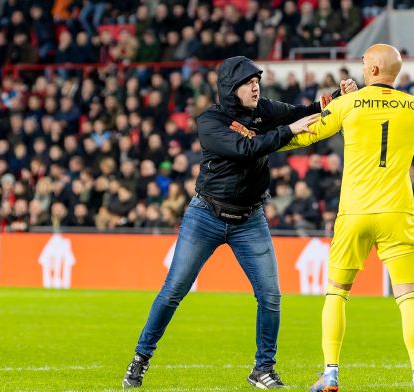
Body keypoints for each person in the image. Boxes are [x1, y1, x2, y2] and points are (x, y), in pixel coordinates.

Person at [122, 56, 357, 389]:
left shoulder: (264, 109)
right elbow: (246, 148)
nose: (256, 86)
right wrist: (288, 131)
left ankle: (263, 369)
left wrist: (339, 93)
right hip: (205, 215)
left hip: (250, 218)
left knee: (271, 296)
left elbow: (301, 111)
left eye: (257, 80)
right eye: (249, 82)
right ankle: (140, 359)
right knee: (173, 290)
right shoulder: (210, 121)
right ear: (232, 89)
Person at [280, 44, 414, 392]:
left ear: (376, 70)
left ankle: (331, 373)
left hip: (355, 211)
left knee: (336, 293)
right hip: (397, 211)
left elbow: (306, 133)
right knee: (409, 296)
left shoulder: (347, 104)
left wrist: (269, 142)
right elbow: (380, 110)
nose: (363, 67)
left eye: (366, 63)